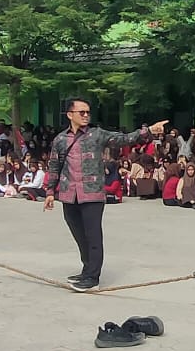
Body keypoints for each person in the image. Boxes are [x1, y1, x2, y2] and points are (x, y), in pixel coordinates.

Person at [44, 100, 167, 291]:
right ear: (70, 114)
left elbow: (124, 139)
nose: (85, 115)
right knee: (79, 235)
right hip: (69, 194)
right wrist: (50, 191)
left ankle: (92, 278)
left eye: (88, 112)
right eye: (81, 112)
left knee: (93, 236)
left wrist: (149, 130)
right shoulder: (60, 140)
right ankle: (87, 269)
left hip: (92, 194)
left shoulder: (97, 134)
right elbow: (54, 166)